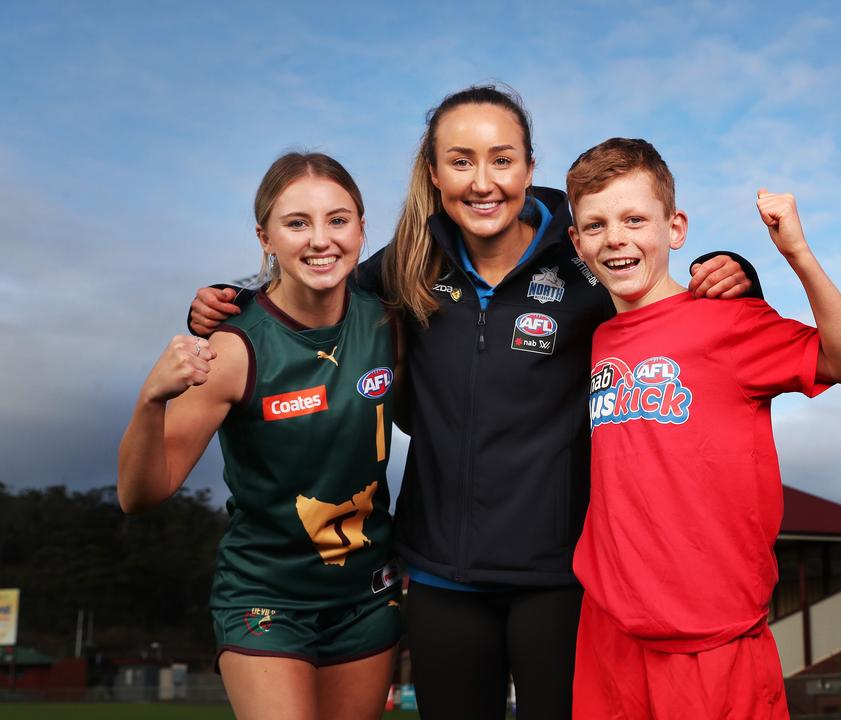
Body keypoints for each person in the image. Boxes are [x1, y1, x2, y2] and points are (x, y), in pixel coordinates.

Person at [187, 84, 759, 720]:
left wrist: (734, 269)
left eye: (502, 159)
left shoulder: (584, 254)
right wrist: (233, 296)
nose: (483, 182)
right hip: (440, 577)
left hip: (563, 577)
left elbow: (661, 299)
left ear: (529, 168)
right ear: (434, 173)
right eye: (460, 161)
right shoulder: (408, 258)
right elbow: (315, 280)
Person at [565, 138, 841, 719]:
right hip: (610, 632)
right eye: (596, 225)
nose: (616, 238)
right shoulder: (598, 338)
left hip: (713, 637)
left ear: (675, 228)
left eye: (635, 219)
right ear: (577, 242)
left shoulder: (726, 319)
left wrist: (797, 254)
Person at [119, 153, 402, 720]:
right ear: (265, 237)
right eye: (297, 223)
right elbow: (139, 494)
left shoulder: (389, 323)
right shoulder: (231, 349)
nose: (321, 240)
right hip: (266, 598)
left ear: (363, 228)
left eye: (338, 220)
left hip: (366, 596)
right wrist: (151, 401)